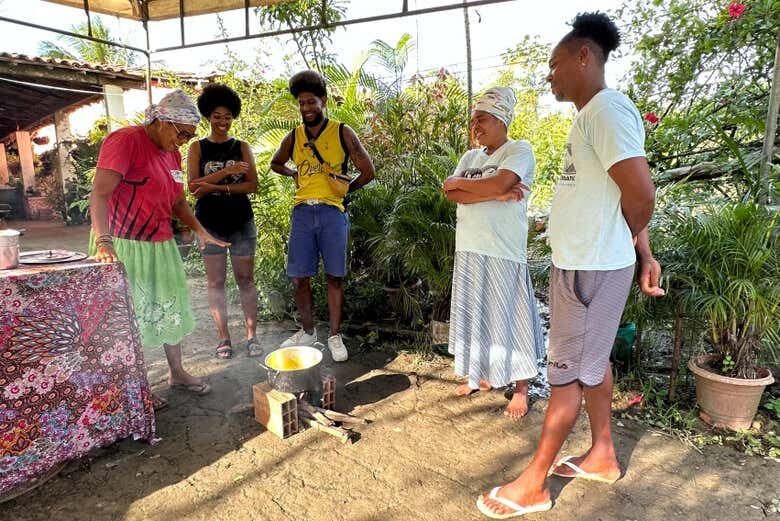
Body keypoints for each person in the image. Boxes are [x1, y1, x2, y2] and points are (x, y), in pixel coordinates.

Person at [476, 13, 665, 518]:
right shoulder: (591, 116)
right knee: (591, 363)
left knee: (564, 378)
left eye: (556, 63)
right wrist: (642, 253)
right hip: (589, 266)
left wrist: (622, 246)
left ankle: (533, 484)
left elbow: (641, 193)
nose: (549, 74)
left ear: (585, 56)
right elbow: (617, 197)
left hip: (591, 272)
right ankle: (602, 455)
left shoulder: (607, 111)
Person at [90, 90, 228, 410]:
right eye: (182, 134)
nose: (183, 141)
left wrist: (200, 230)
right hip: (123, 245)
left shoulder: (171, 152)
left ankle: (177, 372)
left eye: (190, 136)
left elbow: (178, 200)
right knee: (129, 317)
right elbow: (99, 195)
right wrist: (104, 243)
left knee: (168, 308)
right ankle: (134, 387)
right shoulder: (125, 141)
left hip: (160, 243)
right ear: (162, 122)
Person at [443, 86, 545, 419]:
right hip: (470, 249)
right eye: (474, 121)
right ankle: (479, 376)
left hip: (503, 251)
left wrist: (486, 188)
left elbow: (497, 185)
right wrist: (492, 192)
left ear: (502, 120)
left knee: (510, 317)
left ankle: (521, 388)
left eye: (482, 119)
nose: (476, 127)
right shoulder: (471, 158)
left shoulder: (519, 150)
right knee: (477, 314)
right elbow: (449, 192)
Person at [270, 70, 375, 362]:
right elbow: (275, 162)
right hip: (302, 213)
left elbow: (368, 171)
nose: (306, 109)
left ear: (323, 101)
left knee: (334, 277)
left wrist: (344, 192)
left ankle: (334, 335)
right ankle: (308, 331)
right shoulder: (294, 136)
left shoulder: (342, 131)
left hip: (332, 214)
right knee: (299, 278)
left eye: (311, 102)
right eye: (301, 103)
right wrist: (292, 173)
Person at [187, 83, 260, 360]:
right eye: (217, 116)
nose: (222, 121)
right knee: (216, 282)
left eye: (227, 116)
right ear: (208, 116)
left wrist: (214, 186)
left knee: (245, 279)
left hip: (241, 221)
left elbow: (253, 185)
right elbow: (193, 188)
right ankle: (224, 338)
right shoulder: (197, 148)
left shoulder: (242, 146)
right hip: (208, 223)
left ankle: (251, 336)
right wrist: (228, 172)